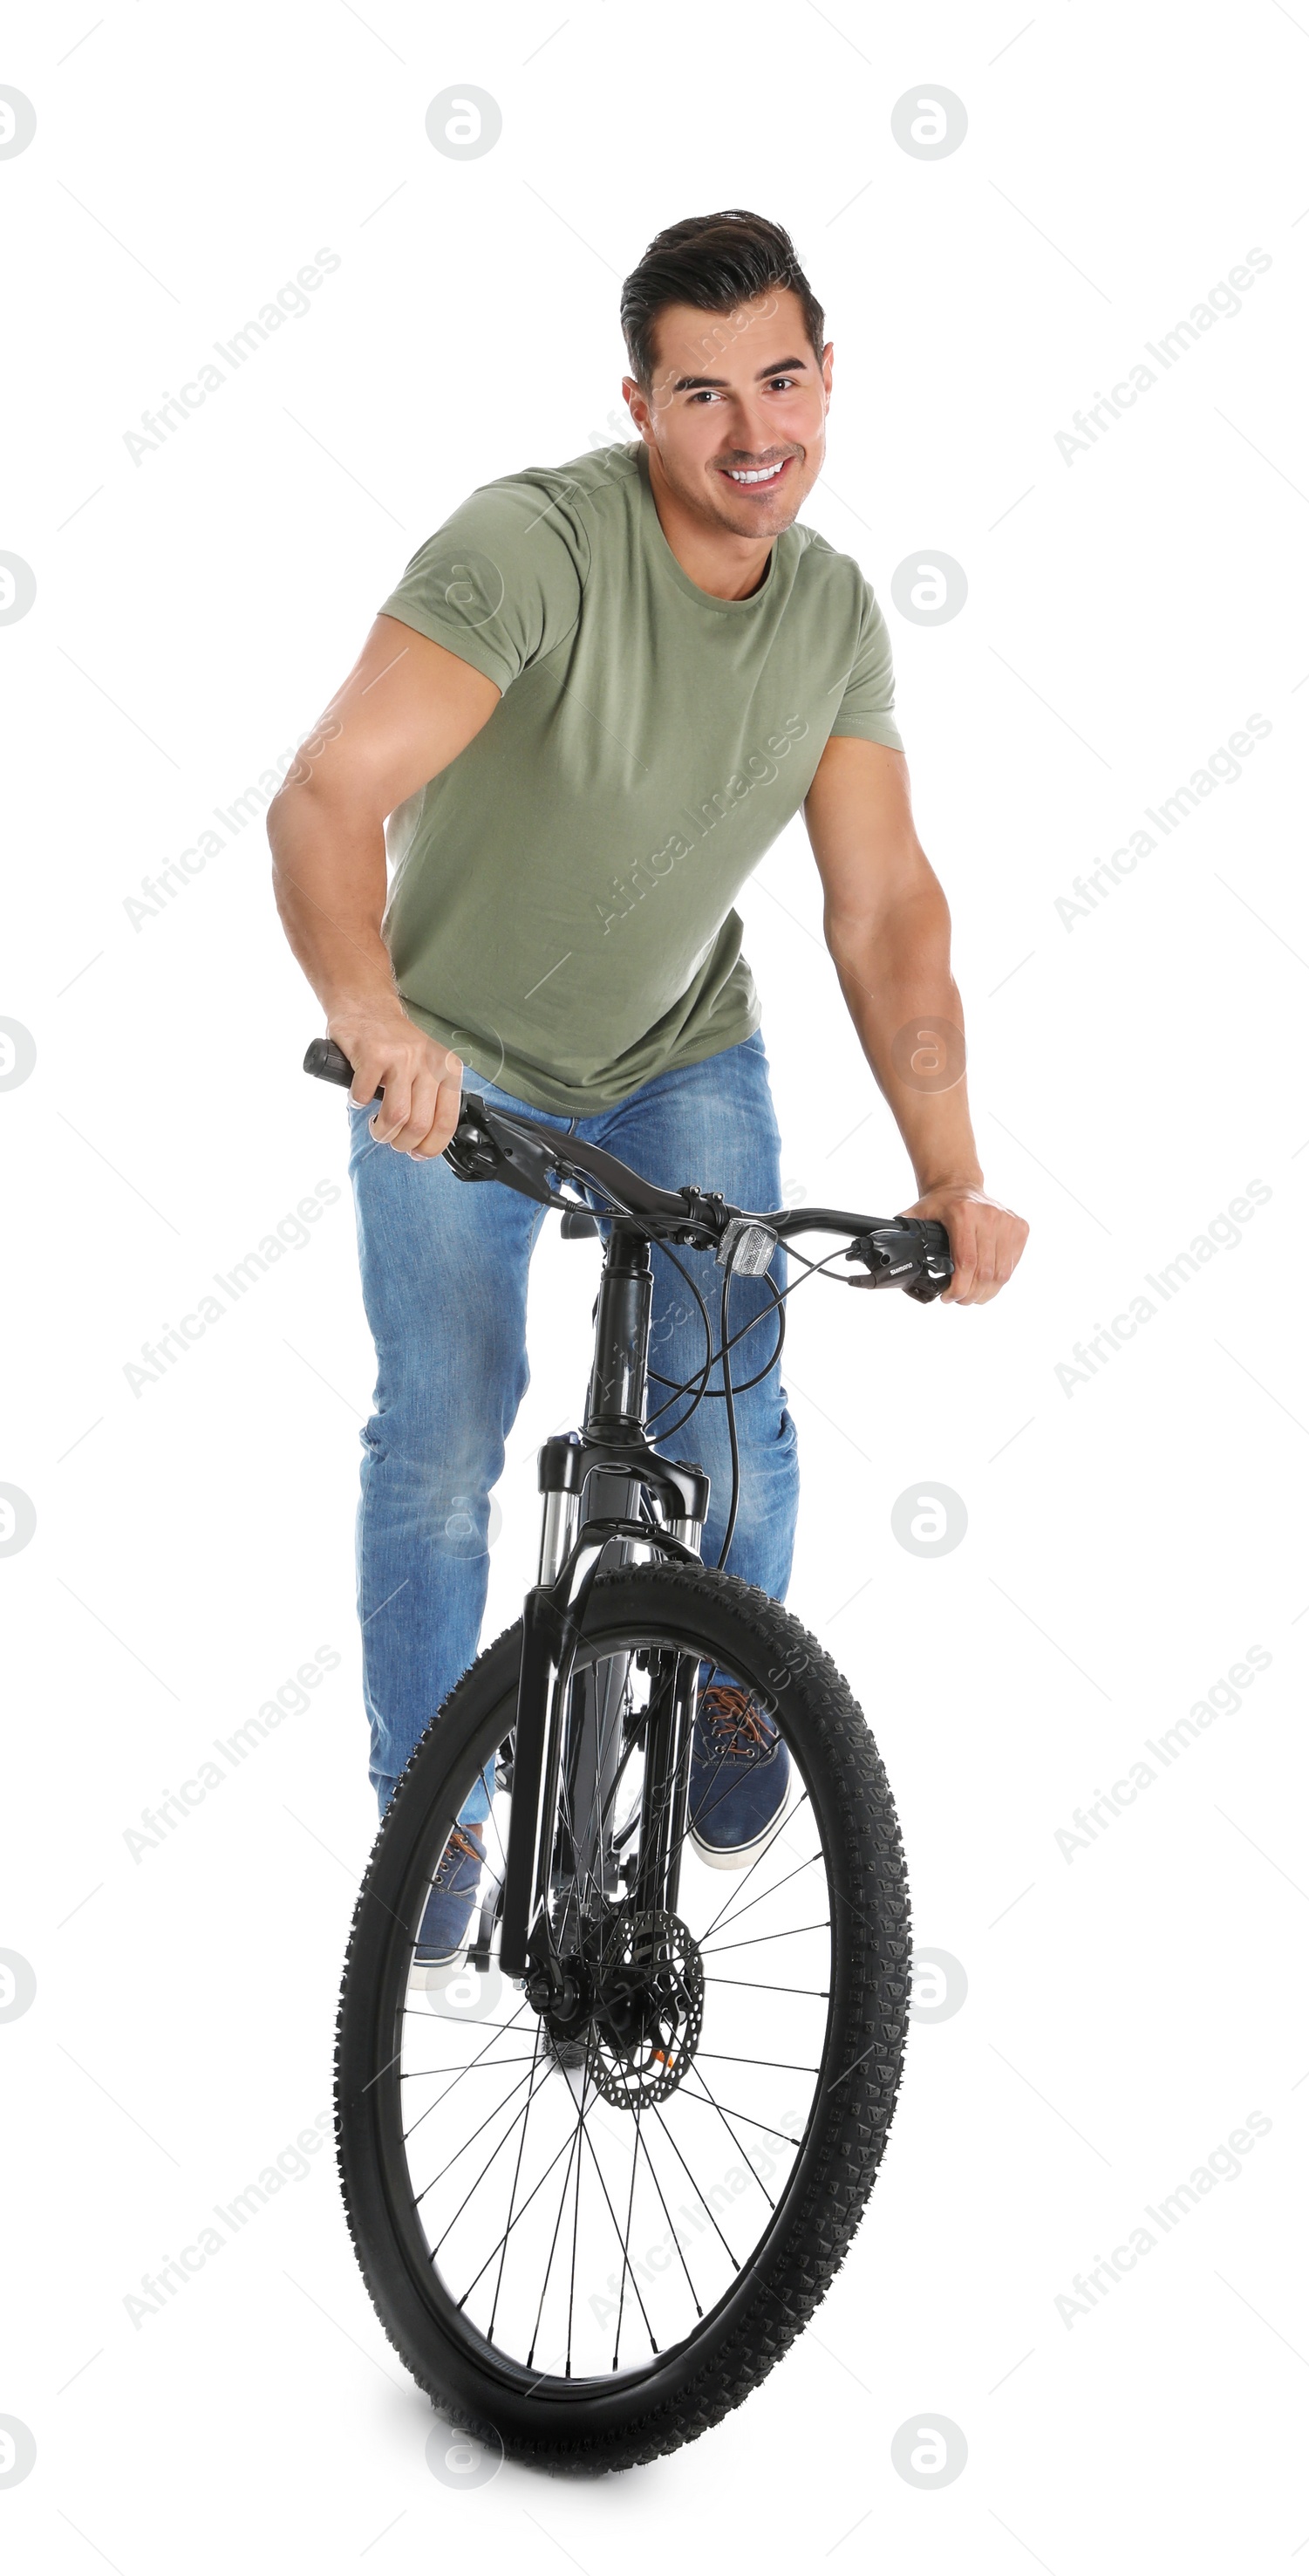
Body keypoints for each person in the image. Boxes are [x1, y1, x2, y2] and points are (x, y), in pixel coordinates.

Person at [269, 208, 1027, 1958]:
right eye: (701, 394)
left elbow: (884, 907)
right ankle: (434, 1818)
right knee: (443, 1427)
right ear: (638, 401)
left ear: (826, 374)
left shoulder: (829, 613)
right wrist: (376, 1015)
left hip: (678, 1051)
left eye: (779, 378)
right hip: (449, 1057)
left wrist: (946, 1171)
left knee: (730, 1427)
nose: (750, 431)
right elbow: (326, 795)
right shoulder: (530, 547)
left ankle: (729, 1689)